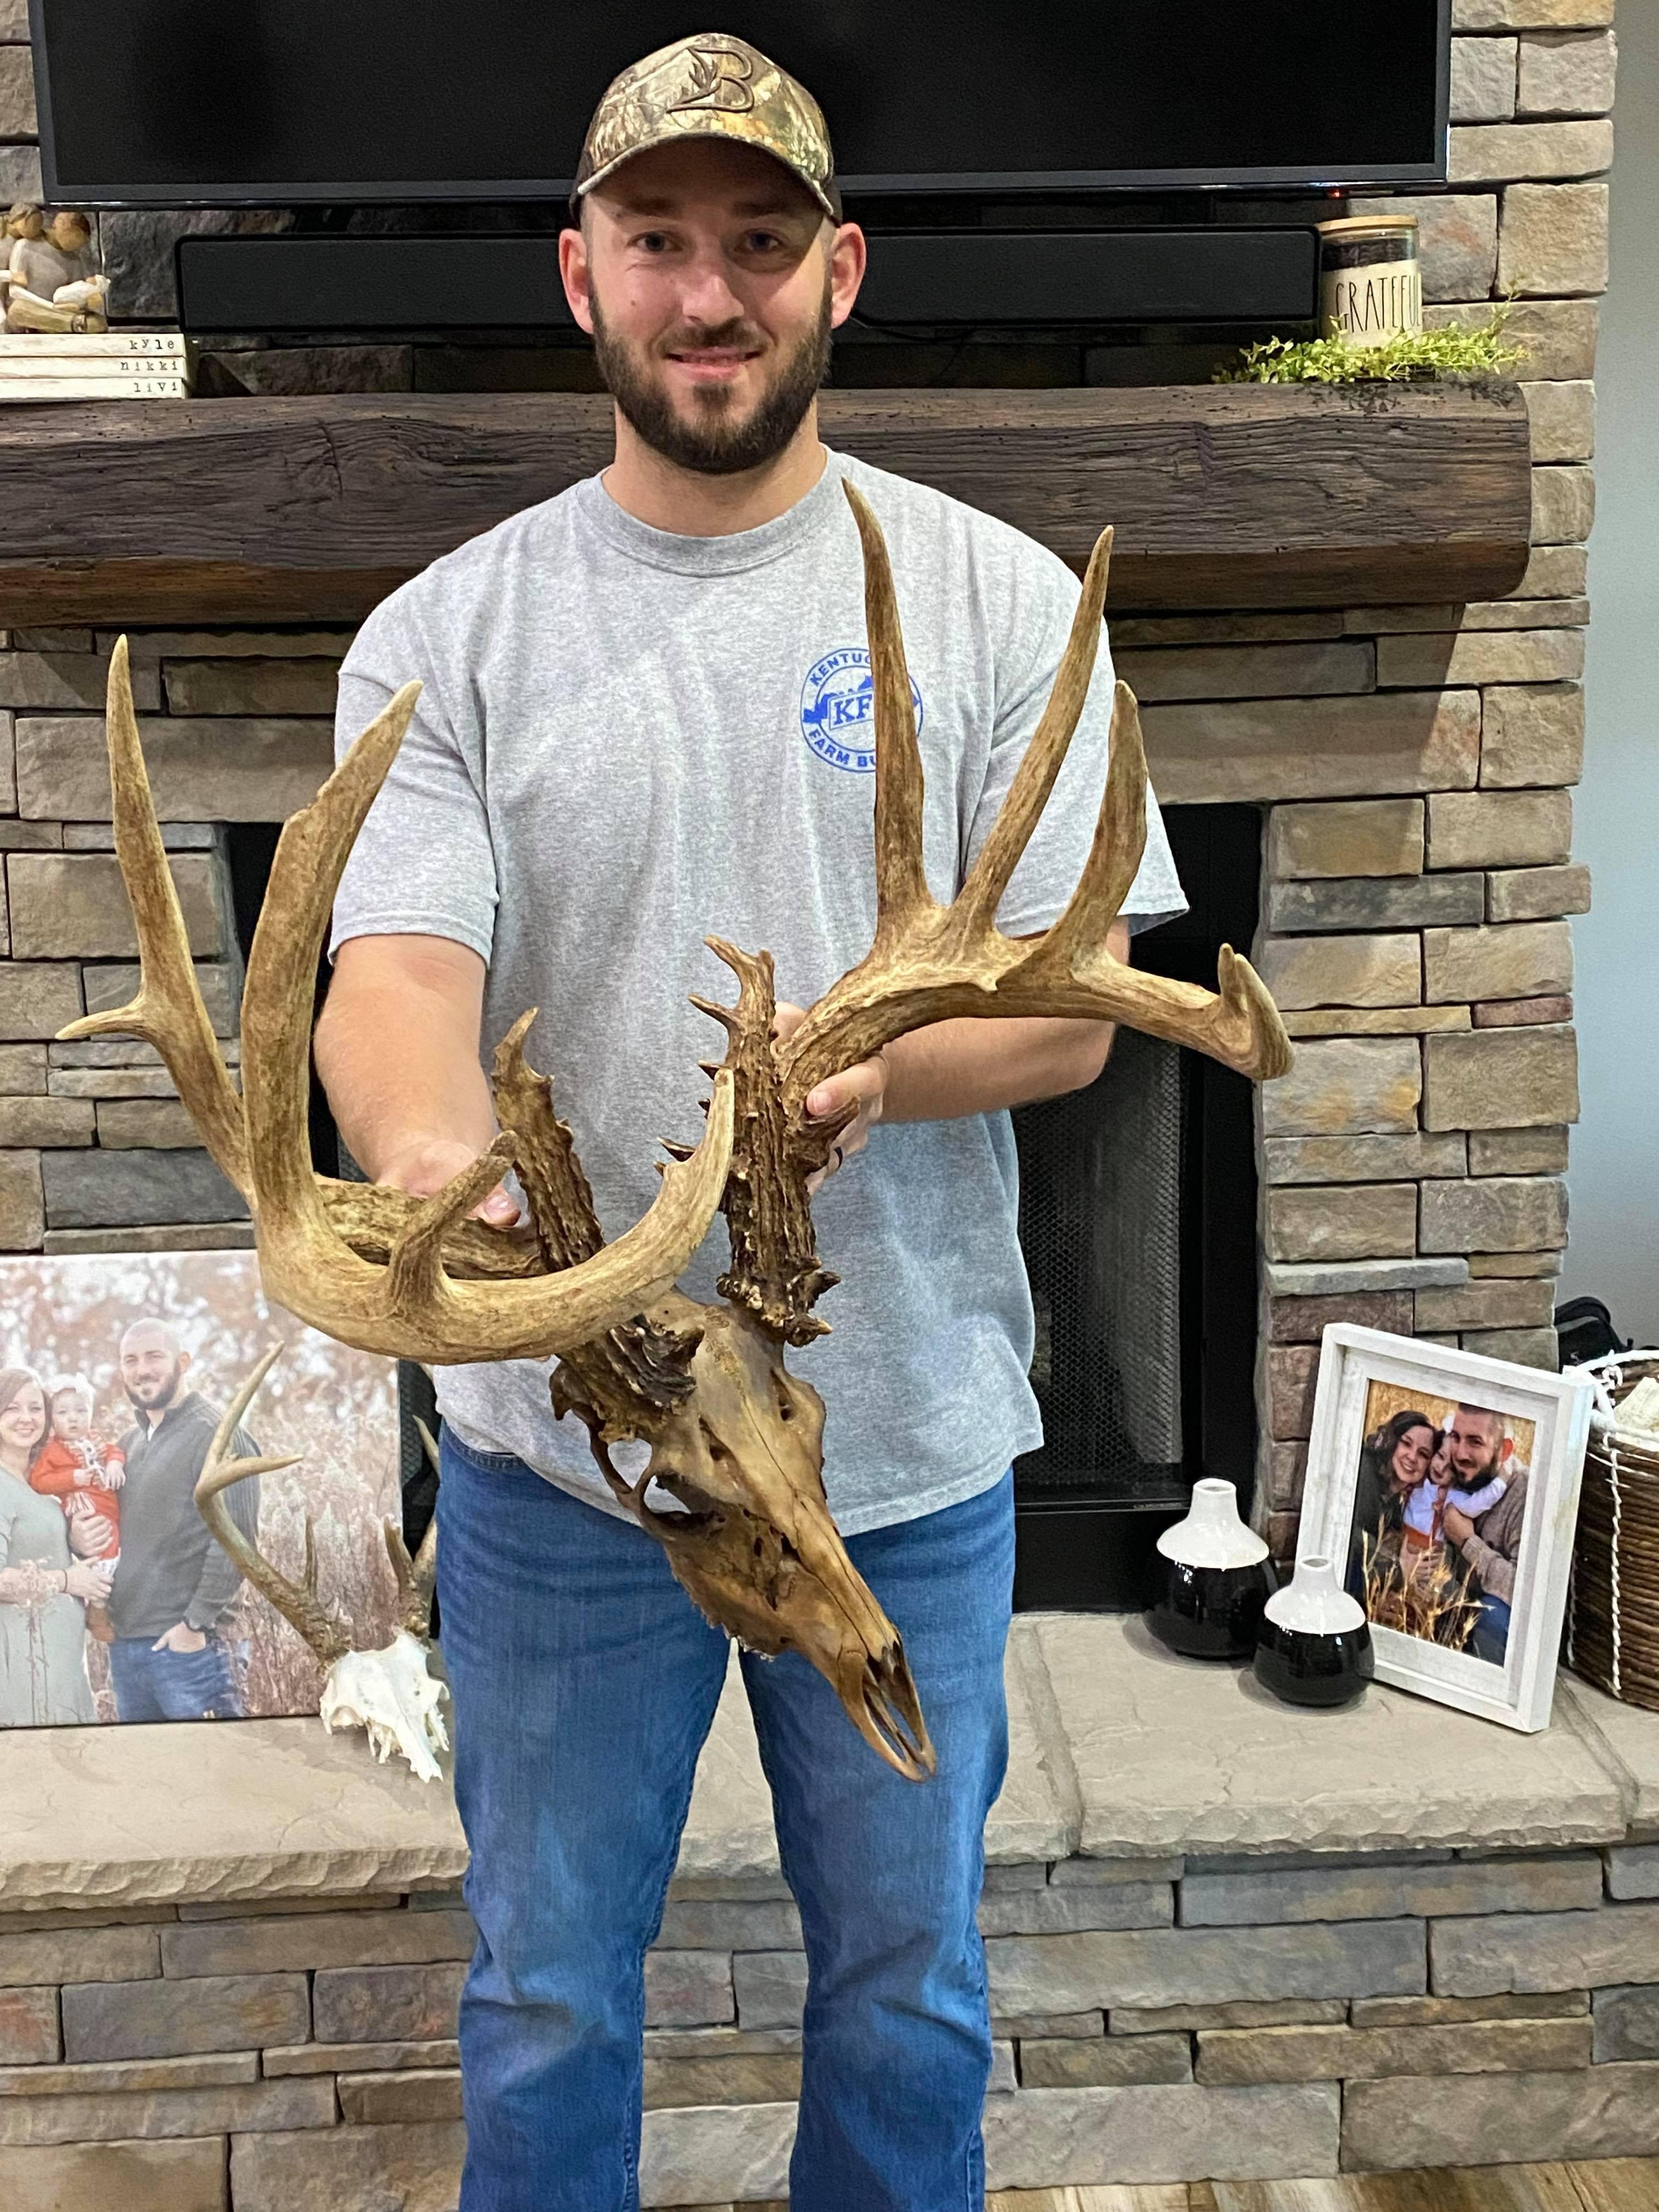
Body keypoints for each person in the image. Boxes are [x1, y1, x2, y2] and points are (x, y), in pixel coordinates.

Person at [314, 31, 1185, 2212]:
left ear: (844, 275)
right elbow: (392, 978)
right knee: (545, 1992)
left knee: (907, 1986)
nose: (716, 295)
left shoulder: (1003, 607)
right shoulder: (452, 637)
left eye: (764, 246)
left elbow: (1078, 1021)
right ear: (581, 276)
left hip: (891, 1443)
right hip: (572, 1454)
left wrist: (885, 1071)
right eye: (663, 242)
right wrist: (437, 1176)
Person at [104, 1321, 260, 1722]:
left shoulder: (219, 1435)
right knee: (147, 1781)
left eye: (155, 1357)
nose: (142, 1370)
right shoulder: (128, 1445)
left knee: (211, 1777)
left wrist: (195, 1624)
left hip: (194, 1652)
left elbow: (237, 1544)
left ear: (184, 1362)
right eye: (131, 1360)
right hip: (128, 1650)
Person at [0, 1365, 105, 1726]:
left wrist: (74, 1539)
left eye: (35, 1408)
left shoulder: (39, 1485)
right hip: (20, 1673)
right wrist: (65, 1580)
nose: (26, 1418)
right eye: (12, 1408)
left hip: (61, 1667)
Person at [1438, 1404, 1529, 1664]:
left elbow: (1524, 1589)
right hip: (1452, 1600)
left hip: (1491, 1615)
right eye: (1456, 1438)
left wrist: (1468, 1542)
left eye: (1475, 1442)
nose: (1461, 1453)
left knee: (1494, 1614)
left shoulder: (1523, 1492)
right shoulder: (1448, 1469)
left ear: (1505, 1450)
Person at [29, 1373, 126, 1581]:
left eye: (81, 1411)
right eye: (63, 1412)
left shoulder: (96, 1439)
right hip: (85, 1508)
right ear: (51, 1419)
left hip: (110, 1507)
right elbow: (39, 1481)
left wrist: (115, 1464)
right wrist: (72, 1478)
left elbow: (113, 1451)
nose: (73, 1418)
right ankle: (100, 1582)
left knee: (116, 1538)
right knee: (101, 1543)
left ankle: (108, 1584)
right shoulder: (52, 1450)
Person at [1396, 1425, 1508, 1598]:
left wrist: (1502, 1479)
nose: (1441, 1467)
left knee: (1447, 1597)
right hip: (1401, 1550)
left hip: (1430, 1561)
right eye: (1440, 1457)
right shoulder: (1419, 1482)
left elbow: (1479, 1502)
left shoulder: (1453, 1497)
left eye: (1450, 1468)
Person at [1347, 1408, 1436, 1602]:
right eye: (1406, 1444)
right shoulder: (1364, 1471)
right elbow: (1350, 1540)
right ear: (1392, 1442)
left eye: (1423, 1454)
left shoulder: (1395, 1502)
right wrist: (1400, 1570)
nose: (1412, 1457)